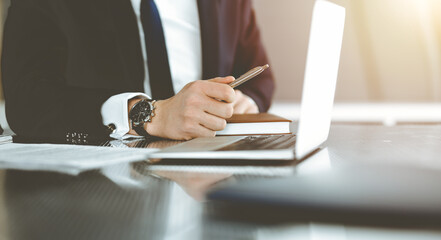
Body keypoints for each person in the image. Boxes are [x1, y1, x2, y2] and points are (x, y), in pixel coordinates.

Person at [1, 0, 274, 141]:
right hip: (98, 199)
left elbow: (259, 77)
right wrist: (147, 115)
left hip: (210, 187)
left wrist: (244, 102)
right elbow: (26, 98)